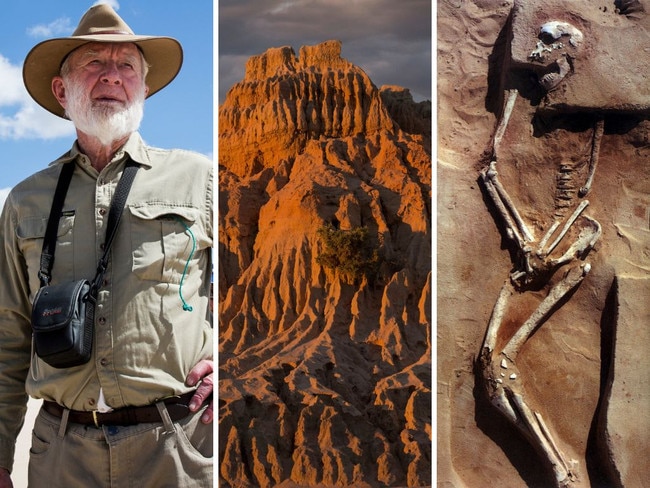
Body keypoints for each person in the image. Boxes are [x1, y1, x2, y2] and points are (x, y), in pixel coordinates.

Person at [0, 4, 213, 487]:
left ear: (143, 88)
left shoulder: (199, 179)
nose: (112, 77)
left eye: (127, 67)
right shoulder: (25, 200)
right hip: (60, 453)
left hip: (176, 447)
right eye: (95, 63)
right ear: (62, 89)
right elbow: (8, 334)